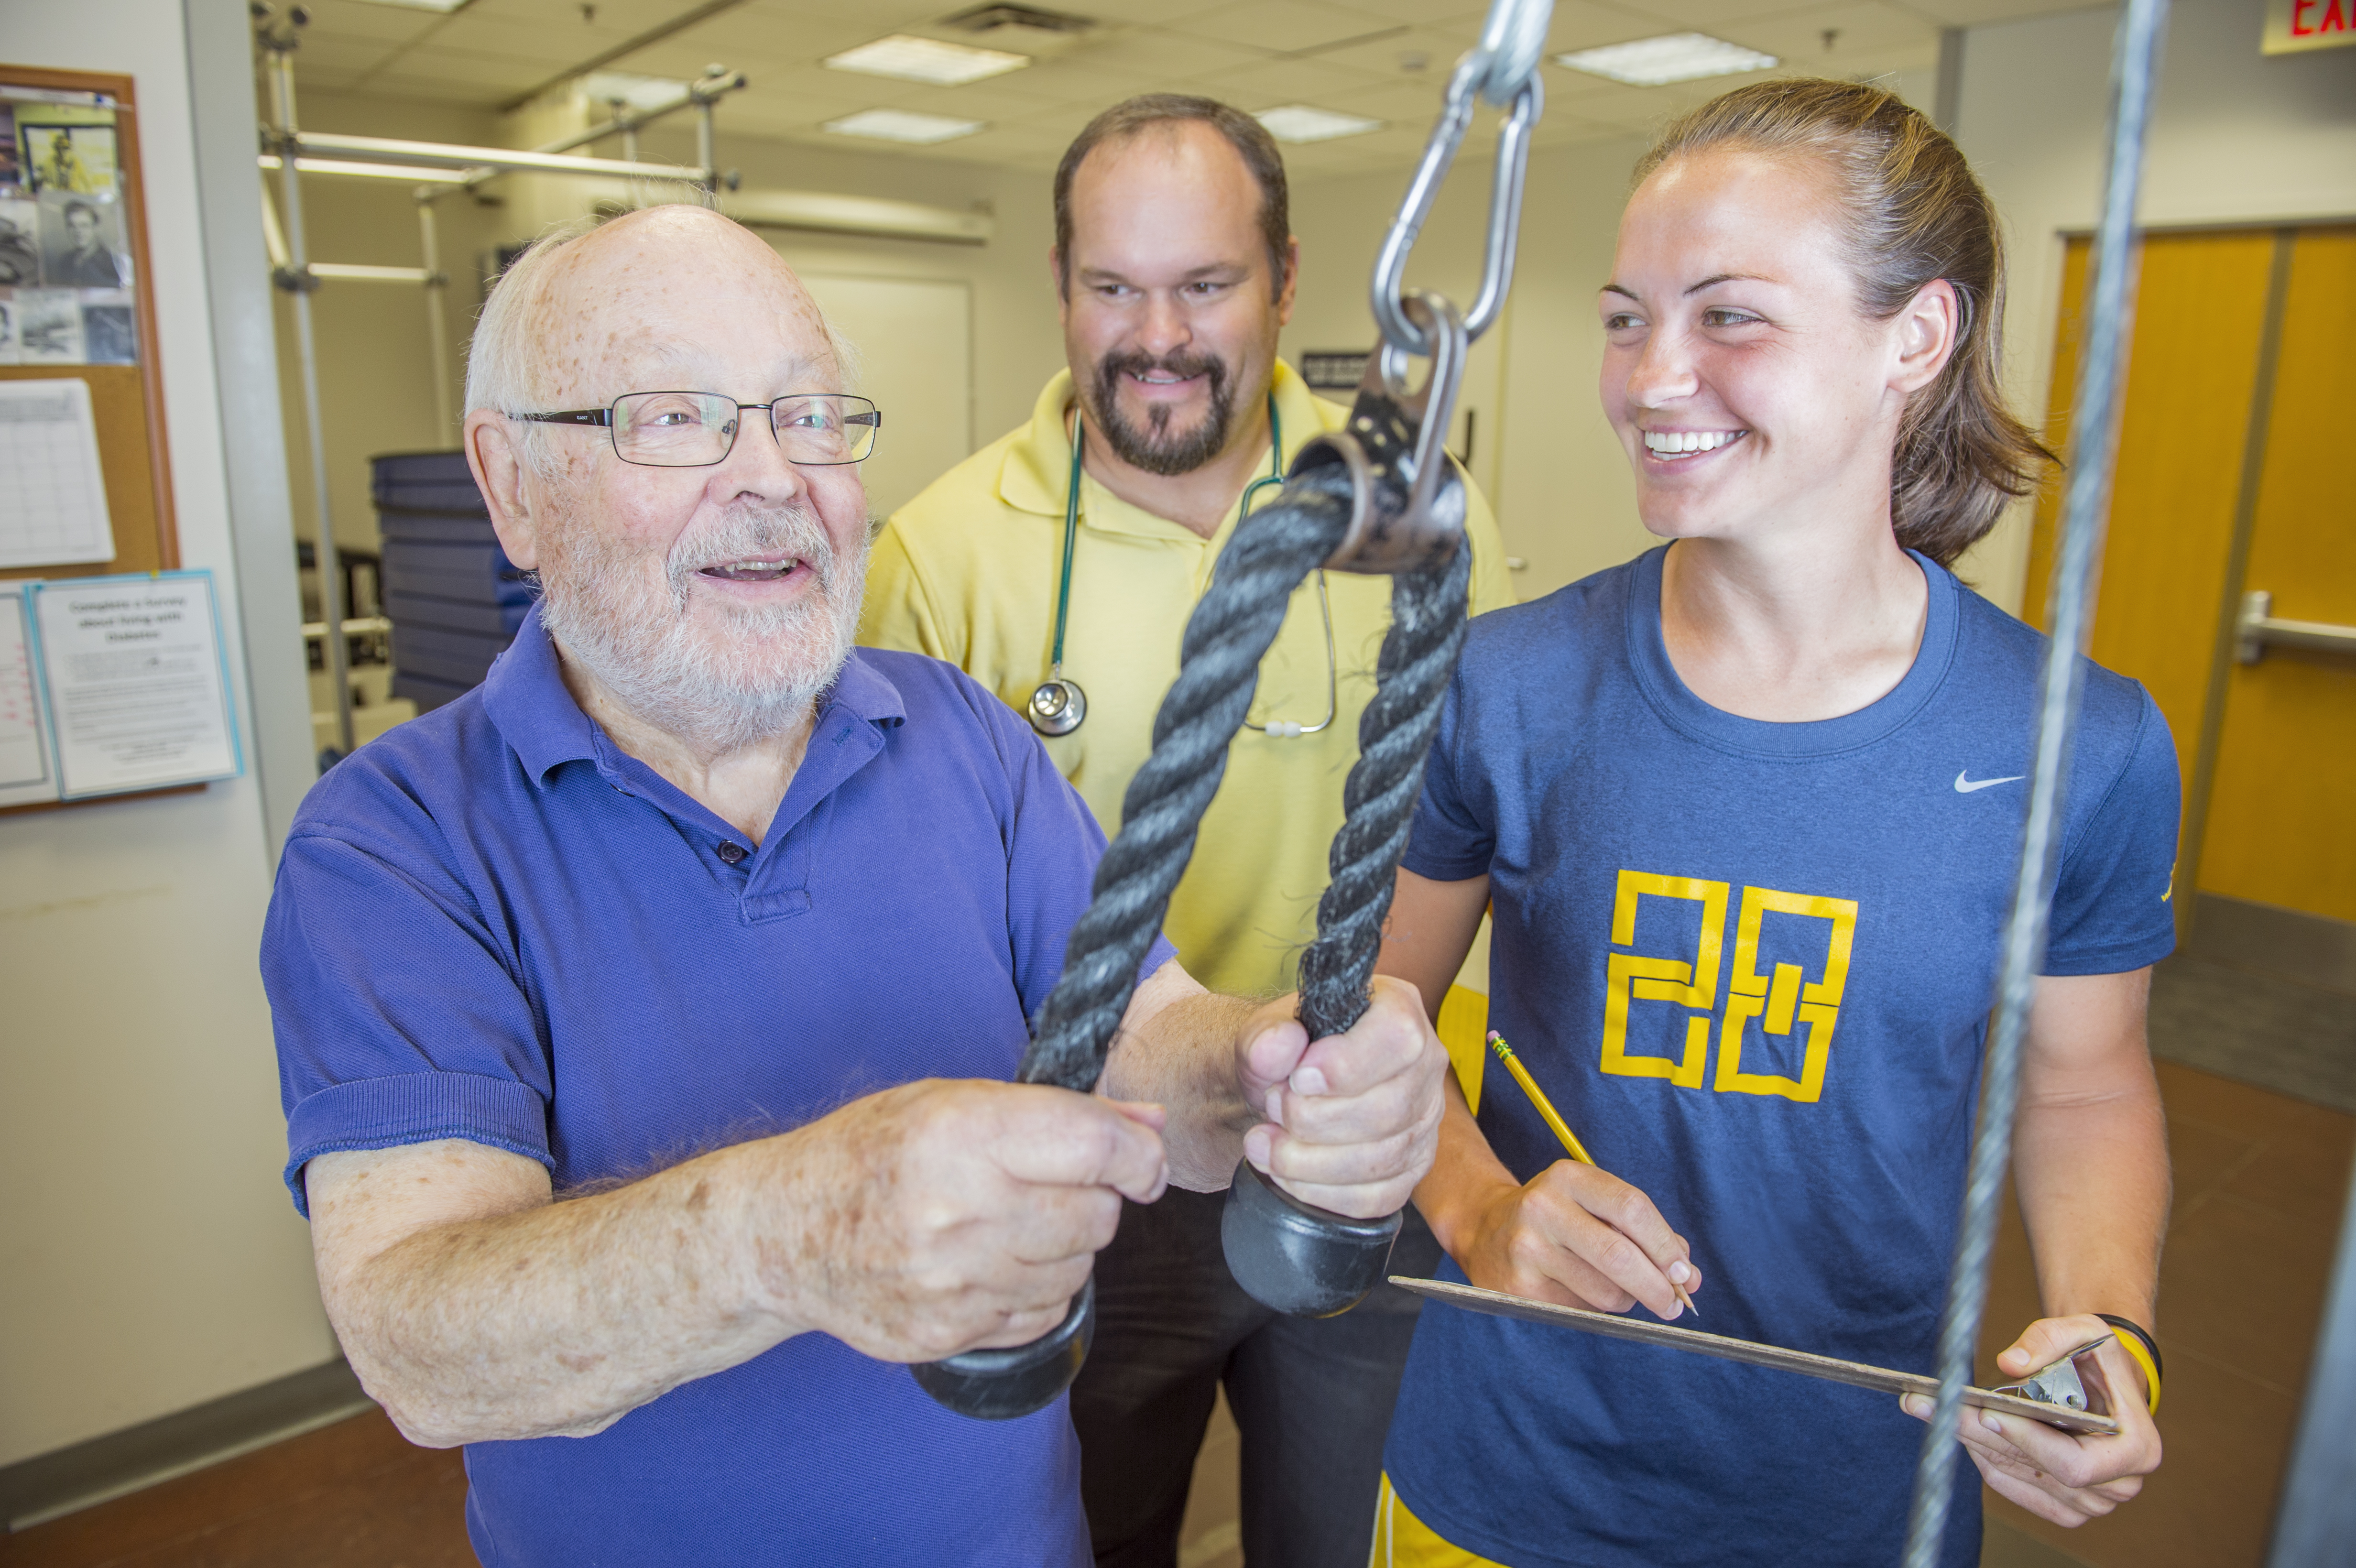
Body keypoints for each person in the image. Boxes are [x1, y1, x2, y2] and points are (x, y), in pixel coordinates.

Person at [262, 202, 1451, 1568]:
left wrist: (1267, 1068)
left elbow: (1142, 1051)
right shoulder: (394, 841)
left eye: (813, 417)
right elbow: (419, 1339)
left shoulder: (967, 740)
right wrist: (790, 1233)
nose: (773, 478)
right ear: (513, 483)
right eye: (674, 418)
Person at [1365, 80, 2173, 1568]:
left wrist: (2109, 1324)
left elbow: (2083, 1087)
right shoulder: (1505, 680)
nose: (1650, 377)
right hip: (1507, 1479)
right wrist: (1480, 1210)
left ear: (1912, 340)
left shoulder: (2082, 741)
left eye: (1727, 316)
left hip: (1850, 1497)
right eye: (1623, 317)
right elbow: (1377, 1006)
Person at [860, 95, 1515, 1568]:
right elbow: (899, 903)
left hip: (1356, 1154)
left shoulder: (1412, 519)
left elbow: (1487, 814)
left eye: (1204, 284)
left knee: (1339, 1539)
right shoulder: (942, 555)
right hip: (1096, 1174)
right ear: (1061, 284)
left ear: (1284, 281)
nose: (1153, 334)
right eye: (1112, 286)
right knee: (1087, 1536)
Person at [49, 200, 121, 286]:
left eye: (84, 226)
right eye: (72, 226)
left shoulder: (111, 264)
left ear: (96, 228)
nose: (78, 232)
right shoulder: (64, 261)